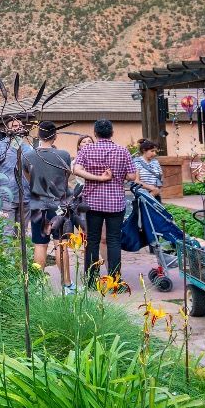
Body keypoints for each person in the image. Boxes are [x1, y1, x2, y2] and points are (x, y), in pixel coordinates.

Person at [72, 119, 137, 285]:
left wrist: (97, 178)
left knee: (92, 240)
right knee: (113, 240)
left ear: (95, 133)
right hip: (115, 203)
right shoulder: (122, 151)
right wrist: (116, 175)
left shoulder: (87, 150)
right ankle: (115, 281)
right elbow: (131, 176)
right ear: (112, 133)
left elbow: (76, 170)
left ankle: (92, 280)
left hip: (92, 203)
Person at [24, 121, 74, 293]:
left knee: (40, 245)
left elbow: (27, 176)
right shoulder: (64, 155)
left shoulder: (28, 156)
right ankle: (67, 285)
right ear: (55, 136)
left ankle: (37, 286)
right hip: (58, 205)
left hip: (37, 205)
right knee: (61, 244)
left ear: (38, 136)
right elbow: (66, 175)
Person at [0, 119, 29, 235]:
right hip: (5, 197)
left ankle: (21, 253)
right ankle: (8, 254)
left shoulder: (27, 149)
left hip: (25, 197)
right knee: (7, 234)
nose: (18, 128)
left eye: (21, 126)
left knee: (22, 235)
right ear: (6, 129)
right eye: (14, 126)